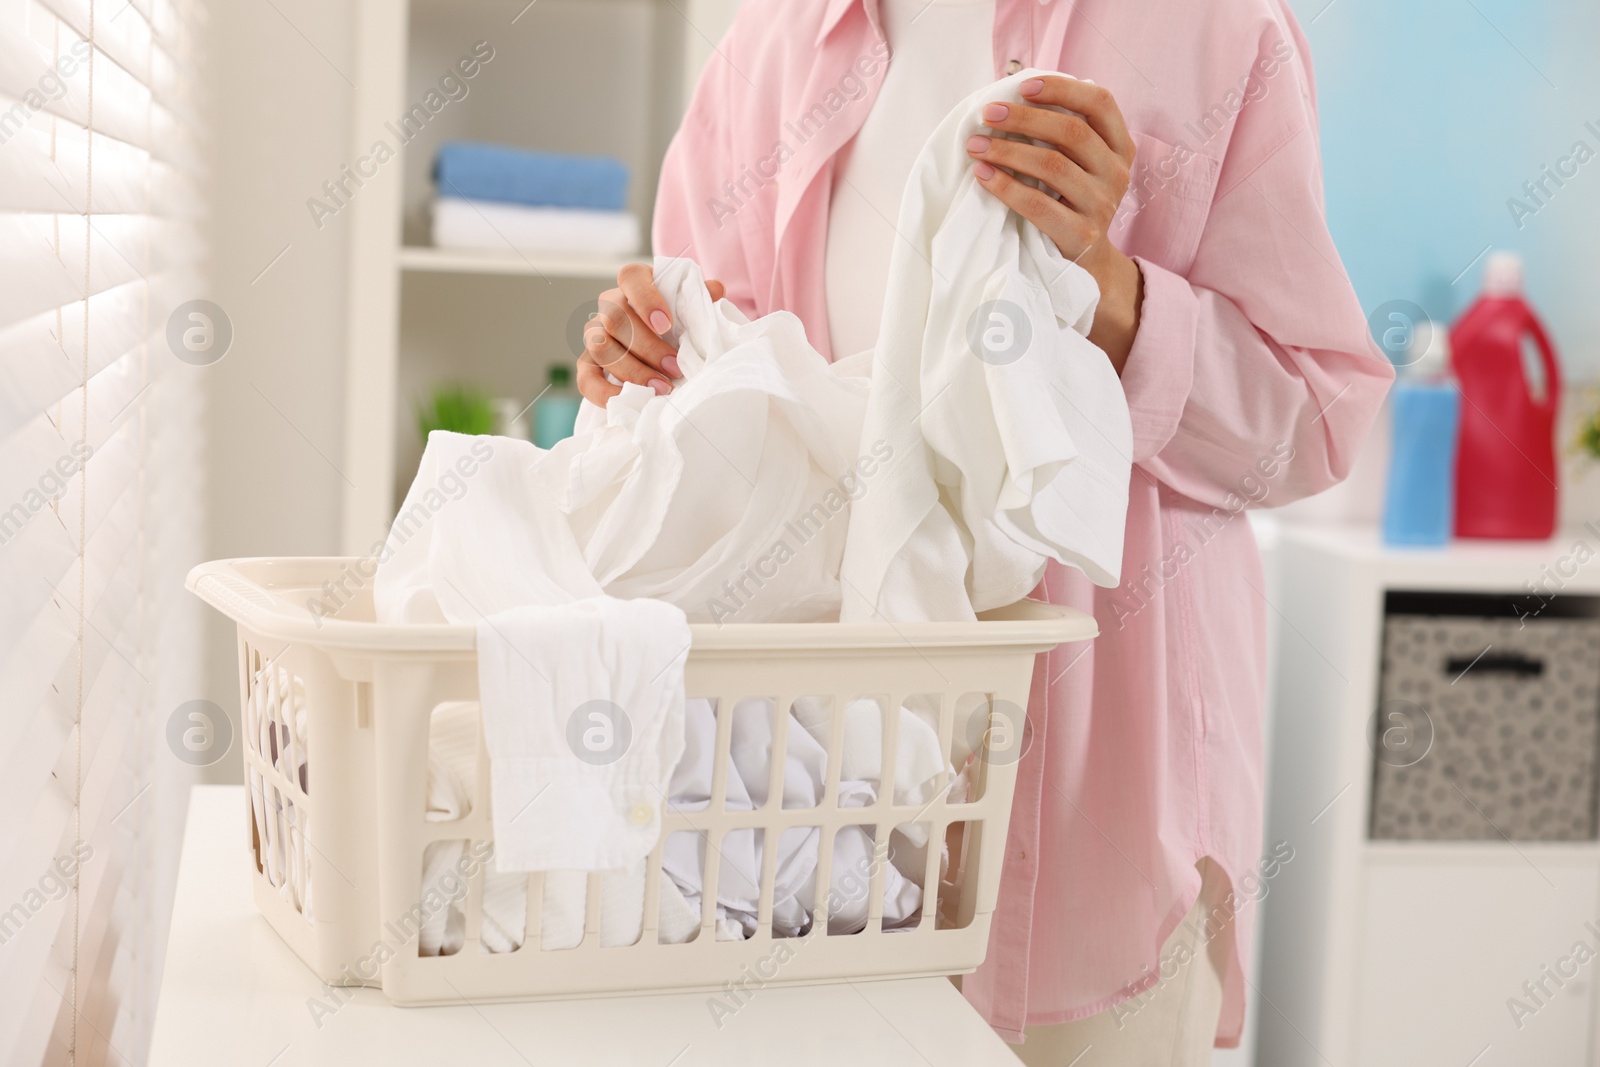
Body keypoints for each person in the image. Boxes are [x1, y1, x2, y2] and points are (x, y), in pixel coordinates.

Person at [577, 0, 1392, 1061]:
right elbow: (728, 409)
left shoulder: (1212, 30)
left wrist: (1102, 289)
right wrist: (644, 362)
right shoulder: (771, 47)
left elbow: (1312, 421)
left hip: (1102, 833)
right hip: (817, 828)